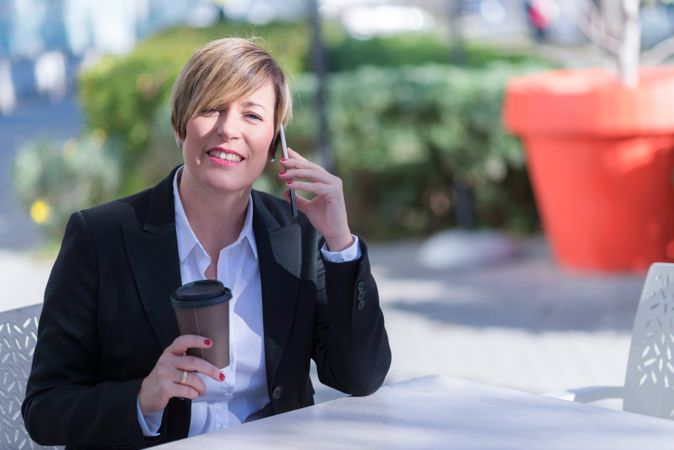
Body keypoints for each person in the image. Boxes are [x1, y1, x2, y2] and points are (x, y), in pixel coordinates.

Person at [22, 37, 391, 449]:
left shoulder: (297, 234)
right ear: (180, 127)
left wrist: (340, 243)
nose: (228, 129)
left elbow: (360, 376)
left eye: (252, 115)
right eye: (211, 108)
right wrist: (143, 398)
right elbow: (45, 408)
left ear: (275, 144)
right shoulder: (100, 237)